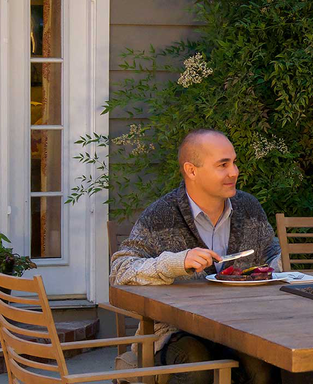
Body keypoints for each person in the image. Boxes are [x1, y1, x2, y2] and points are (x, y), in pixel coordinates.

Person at [110, 129, 281, 384]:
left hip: (243, 325)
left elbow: (272, 251)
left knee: (266, 366)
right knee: (196, 365)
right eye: (223, 164)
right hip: (179, 331)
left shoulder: (248, 207)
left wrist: (280, 264)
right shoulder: (161, 215)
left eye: (234, 162)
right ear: (191, 170)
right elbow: (121, 269)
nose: (234, 172)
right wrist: (176, 262)